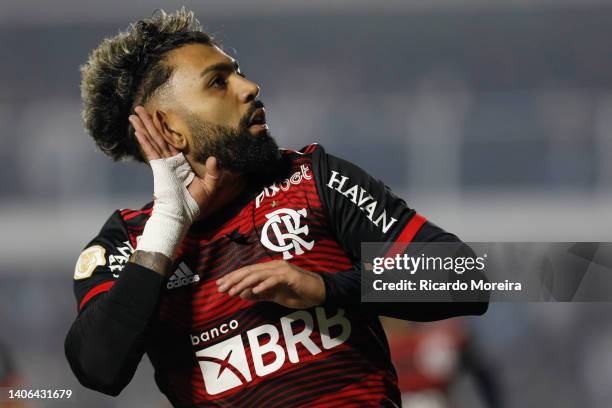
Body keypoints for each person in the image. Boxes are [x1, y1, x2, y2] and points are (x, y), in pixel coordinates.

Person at [65, 8, 488, 407]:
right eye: (217, 81)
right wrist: (169, 222)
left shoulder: (313, 179)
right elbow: (99, 368)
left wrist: (324, 288)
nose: (249, 87)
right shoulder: (130, 240)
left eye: (239, 73)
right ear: (170, 129)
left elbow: (465, 278)